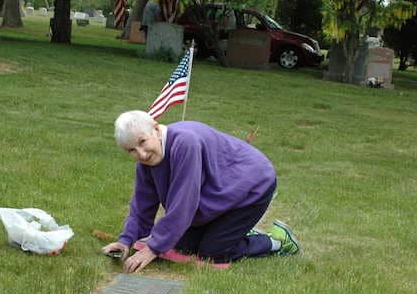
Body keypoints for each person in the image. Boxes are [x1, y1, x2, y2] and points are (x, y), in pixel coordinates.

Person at [101, 111, 299, 273]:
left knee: (212, 254)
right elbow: (141, 206)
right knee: (182, 246)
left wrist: (153, 248)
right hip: (219, 195)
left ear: (155, 128)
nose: (141, 154)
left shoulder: (186, 143)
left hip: (251, 187)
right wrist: (125, 241)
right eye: (131, 150)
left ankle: (276, 241)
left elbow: (184, 203)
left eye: (142, 142)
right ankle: (230, 229)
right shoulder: (145, 164)